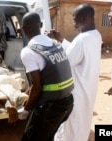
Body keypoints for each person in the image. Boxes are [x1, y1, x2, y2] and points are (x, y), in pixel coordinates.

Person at [48, 4, 102, 141]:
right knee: (82, 124)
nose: (73, 24)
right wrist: (61, 39)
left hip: (76, 93)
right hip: (88, 91)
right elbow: (76, 53)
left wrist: (51, 46)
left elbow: (65, 61)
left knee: (70, 127)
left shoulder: (82, 39)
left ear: (84, 18)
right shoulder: (95, 35)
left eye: (75, 19)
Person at [19, 12, 74, 141]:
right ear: (41, 25)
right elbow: (49, 77)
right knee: (47, 136)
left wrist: (26, 109)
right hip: (68, 102)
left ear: (24, 29)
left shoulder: (28, 51)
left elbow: (37, 86)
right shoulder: (55, 44)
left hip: (51, 107)